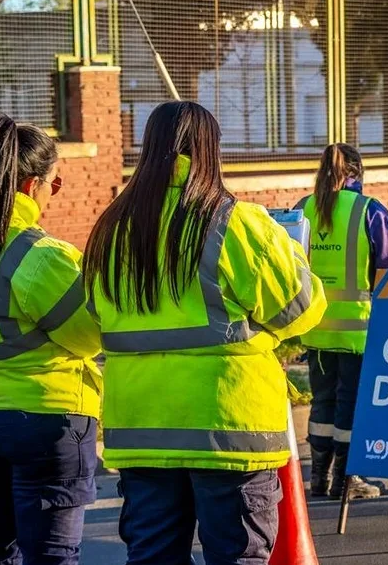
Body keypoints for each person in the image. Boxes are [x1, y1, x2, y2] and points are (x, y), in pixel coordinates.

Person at [84, 101, 326, 565]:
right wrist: (295, 255)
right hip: (230, 432)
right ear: (209, 151)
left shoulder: (110, 230)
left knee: (152, 557)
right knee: (237, 556)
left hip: (141, 432)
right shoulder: (237, 223)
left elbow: (96, 316)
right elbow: (299, 311)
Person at [0, 114, 102, 565]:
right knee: (52, 556)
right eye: (55, 183)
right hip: (47, 420)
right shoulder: (40, 256)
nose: (56, 191)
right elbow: (89, 337)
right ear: (32, 186)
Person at [296, 143, 388, 500]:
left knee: (322, 402)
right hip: (357, 332)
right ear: (356, 173)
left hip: (315, 328)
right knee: (351, 403)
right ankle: (347, 480)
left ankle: (319, 478)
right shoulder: (368, 210)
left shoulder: (303, 209)